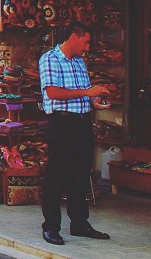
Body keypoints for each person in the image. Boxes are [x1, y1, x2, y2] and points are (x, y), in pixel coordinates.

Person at [39, 22, 111, 246]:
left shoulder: (80, 62)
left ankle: (79, 222)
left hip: (82, 122)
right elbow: (53, 92)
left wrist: (94, 100)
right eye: (86, 42)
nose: (87, 47)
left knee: (80, 174)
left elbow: (83, 92)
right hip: (62, 123)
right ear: (73, 37)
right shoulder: (50, 59)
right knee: (56, 174)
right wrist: (87, 92)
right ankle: (51, 226)